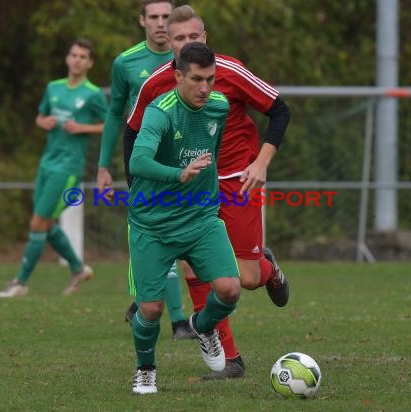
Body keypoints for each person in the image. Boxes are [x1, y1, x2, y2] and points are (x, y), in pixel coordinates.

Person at [112, 5, 292, 379]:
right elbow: (131, 133)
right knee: (193, 265)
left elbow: (280, 110)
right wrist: (139, 190)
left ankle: (268, 268)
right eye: (179, 39)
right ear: (169, 43)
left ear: (205, 38)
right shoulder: (158, 84)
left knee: (244, 278)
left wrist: (260, 163)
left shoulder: (227, 72)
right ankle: (229, 359)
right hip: (191, 191)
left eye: (194, 37)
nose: (187, 43)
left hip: (238, 180)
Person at [128, 42, 240, 394]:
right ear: (178, 76)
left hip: (200, 216)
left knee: (230, 289)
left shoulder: (219, 107)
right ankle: (146, 370)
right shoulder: (159, 113)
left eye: (210, 79)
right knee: (149, 309)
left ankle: (203, 326)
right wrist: (180, 174)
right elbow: (137, 162)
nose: (205, 88)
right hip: (152, 222)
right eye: (196, 79)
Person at [97, 0, 195, 340]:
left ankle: (145, 299)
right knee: (159, 233)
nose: (160, 23)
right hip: (146, 159)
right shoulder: (126, 63)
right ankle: (179, 320)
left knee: (194, 232)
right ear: (142, 21)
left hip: (189, 157)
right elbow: (114, 115)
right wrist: (103, 166)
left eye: (166, 17)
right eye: (153, 17)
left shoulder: (192, 59)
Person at [0, 38, 108, 298]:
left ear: (89, 63)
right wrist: (42, 122)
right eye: (73, 55)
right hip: (47, 162)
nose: (77, 59)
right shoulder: (53, 88)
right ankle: (78, 268)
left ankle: (20, 283)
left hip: (68, 167)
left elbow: (110, 124)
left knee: (38, 222)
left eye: (83, 56)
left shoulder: (92, 94)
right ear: (67, 59)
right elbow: (40, 116)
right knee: (43, 223)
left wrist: (83, 128)